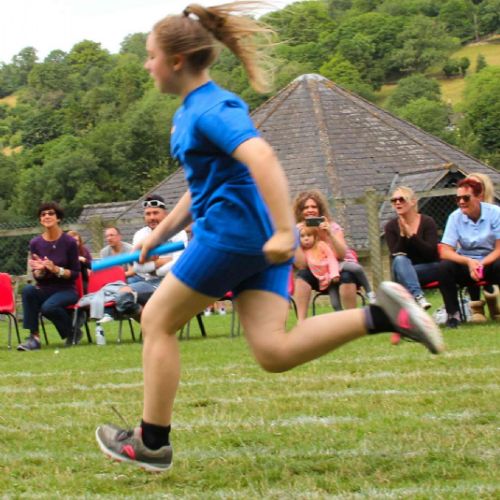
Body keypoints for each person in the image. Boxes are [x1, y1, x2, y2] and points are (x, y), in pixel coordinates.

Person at [95, 2, 443, 473]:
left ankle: (152, 441)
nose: (146, 64)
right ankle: (383, 315)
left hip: (232, 236)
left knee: (155, 319)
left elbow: (262, 158)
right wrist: (160, 233)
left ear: (176, 61)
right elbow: (204, 185)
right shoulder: (192, 112)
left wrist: (284, 229)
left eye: (150, 55)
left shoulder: (211, 108)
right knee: (273, 351)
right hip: (254, 242)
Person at [293, 190, 376, 322]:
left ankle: (351, 320)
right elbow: (301, 265)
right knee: (302, 275)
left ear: (320, 209)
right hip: (318, 273)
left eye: (314, 207)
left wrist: (329, 234)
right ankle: (301, 322)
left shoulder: (333, 227)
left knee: (347, 276)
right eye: (305, 207)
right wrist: (295, 239)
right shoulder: (299, 232)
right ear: (300, 211)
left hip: (338, 269)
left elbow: (341, 255)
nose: (310, 210)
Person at [17, 202, 81, 351]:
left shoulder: (69, 242)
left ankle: (72, 332)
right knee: (28, 290)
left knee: (48, 307)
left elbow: (75, 273)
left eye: (51, 213)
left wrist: (56, 269)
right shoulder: (35, 243)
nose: (46, 216)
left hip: (66, 289)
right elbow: (37, 276)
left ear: (58, 218)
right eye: (43, 214)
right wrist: (40, 272)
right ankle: (34, 338)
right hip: (45, 288)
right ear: (40, 220)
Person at [438, 178, 500, 328]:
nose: (461, 202)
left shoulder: (495, 213)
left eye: (466, 198)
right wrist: (469, 262)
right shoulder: (454, 217)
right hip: (466, 264)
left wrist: (480, 264)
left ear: (479, 197)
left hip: (490, 262)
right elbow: (445, 251)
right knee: (444, 267)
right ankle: (453, 316)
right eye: (458, 198)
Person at [114, 194, 188, 318]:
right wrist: (166, 261)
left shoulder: (178, 233)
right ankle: (153, 325)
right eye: (148, 214)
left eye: (155, 213)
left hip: (175, 281)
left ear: (165, 214)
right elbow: (138, 268)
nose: (152, 217)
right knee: (122, 297)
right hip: (150, 282)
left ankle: (157, 326)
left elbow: (179, 264)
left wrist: (152, 265)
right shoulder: (140, 235)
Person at [384, 186, 440, 310]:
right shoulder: (390, 226)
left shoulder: (427, 222)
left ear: (413, 201)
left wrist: (412, 236)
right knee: (400, 259)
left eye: (401, 199)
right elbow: (395, 253)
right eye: (394, 200)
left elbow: (431, 254)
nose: (397, 202)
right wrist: (403, 235)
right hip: (402, 270)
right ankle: (418, 296)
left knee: (407, 274)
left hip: (428, 268)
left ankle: (411, 308)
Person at [464, 172, 500, 321]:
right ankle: (476, 308)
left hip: (493, 255)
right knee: (470, 261)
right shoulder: (461, 213)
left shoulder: (495, 212)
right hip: (472, 257)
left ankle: (492, 300)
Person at [297, 224, 341, 312]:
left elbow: (332, 259)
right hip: (319, 280)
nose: (306, 239)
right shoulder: (302, 251)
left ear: (315, 236)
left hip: (331, 278)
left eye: (309, 235)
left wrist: (334, 274)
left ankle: (343, 316)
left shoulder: (321, 245)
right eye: (302, 236)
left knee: (335, 304)